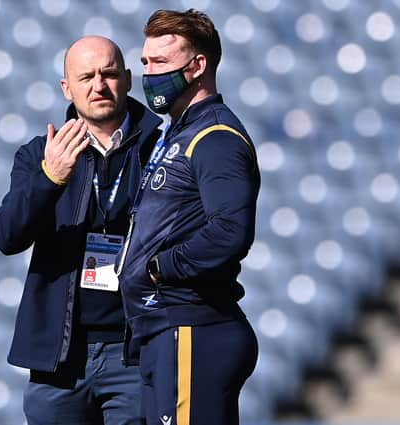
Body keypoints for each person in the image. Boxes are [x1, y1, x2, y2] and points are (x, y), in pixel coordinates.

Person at [0, 35, 163, 425]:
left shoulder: (163, 148)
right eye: (86, 77)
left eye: (109, 73)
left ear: (128, 79)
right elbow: (6, 235)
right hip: (61, 358)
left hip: (135, 354)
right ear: (67, 88)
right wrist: (50, 178)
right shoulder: (40, 153)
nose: (98, 85)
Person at [116, 9, 260, 425]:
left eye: (160, 63)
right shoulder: (174, 133)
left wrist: (162, 268)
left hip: (192, 328)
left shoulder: (214, 138)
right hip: (162, 329)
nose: (149, 73)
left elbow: (230, 230)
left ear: (197, 66)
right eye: (144, 63)